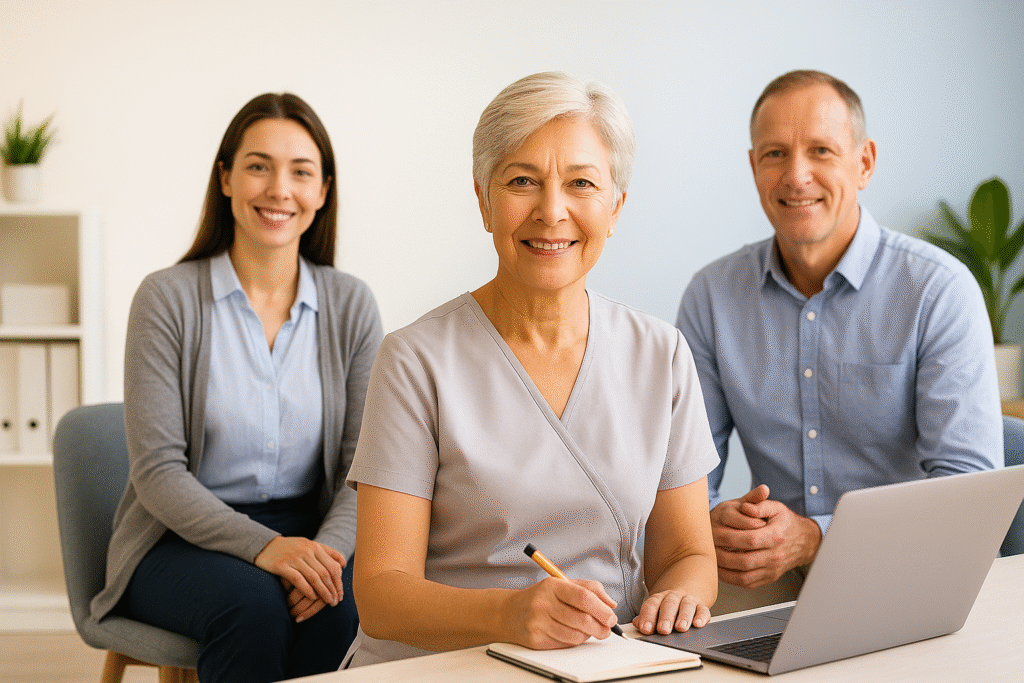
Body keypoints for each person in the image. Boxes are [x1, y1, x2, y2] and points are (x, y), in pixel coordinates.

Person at [343, 72, 720, 667]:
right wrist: (507, 616)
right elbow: (382, 597)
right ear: (484, 202)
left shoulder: (662, 354)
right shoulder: (414, 360)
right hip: (439, 666)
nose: (552, 211)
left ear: (615, 207)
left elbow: (688, 555)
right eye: (523, 181)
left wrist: (680, 597)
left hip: (602, 664)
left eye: (581, 184)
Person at [676, 70, 1002, 614]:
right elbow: (685, 475)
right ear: (754, 167)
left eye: (821, 150)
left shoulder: (938, 291)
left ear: (864, 163)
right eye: (775, 153)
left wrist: (816, 536)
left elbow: (966, 495)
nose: (796, 175)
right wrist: (709, 526)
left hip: (908, 577)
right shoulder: (712, 296)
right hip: (768, 587)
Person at [89, 93, 384, 682]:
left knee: (343, 606)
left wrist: (323, 555)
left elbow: (364, 466)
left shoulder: (351, 305)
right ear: (225, 178)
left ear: (323, 191)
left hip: (312, 527)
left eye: (301, 171)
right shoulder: (166, 299)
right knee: (252, 605)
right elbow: (158, 475)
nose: (279, 189)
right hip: (178, 536)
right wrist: (266, 548)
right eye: (258, 166)